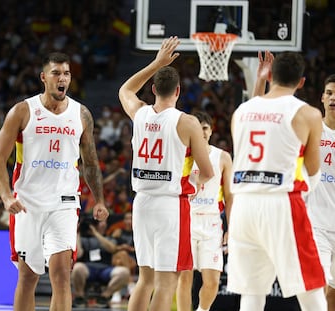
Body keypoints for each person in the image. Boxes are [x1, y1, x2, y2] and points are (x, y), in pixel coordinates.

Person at [0, 51, 109, 311]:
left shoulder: (81, 114)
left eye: (66, 73)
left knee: (61, 275)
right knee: (28, 276)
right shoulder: (22, 111)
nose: (62, 78)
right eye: (56, 73)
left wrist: (99, 199)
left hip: (64, 202)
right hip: (27, 204)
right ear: (44, 77)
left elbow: (90, 161)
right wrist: (6, 196)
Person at [118, 36, 214, 311]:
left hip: (142, 202)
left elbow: (125, 90)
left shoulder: (139, 113)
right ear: (178, 91)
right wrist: (193, 183)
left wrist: (156, 63)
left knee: (144, 280)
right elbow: (206, 171)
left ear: (153, 88)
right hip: (169, 206)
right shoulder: (188, 122)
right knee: (166, 282)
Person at [227, 50, 327, 311]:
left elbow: (263, 116)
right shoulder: (308, 114)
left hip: (244, 206)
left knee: (252, 292)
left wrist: (260, 81)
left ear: (271, 75)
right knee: (310, 285)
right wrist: (306, 191)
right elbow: (313, 169)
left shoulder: (241, 112)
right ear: (302, 81)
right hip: (281, 202)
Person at [176, 110, 233, 311]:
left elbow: (229, 196)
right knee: (185, 278)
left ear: (211, 130)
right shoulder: (181, 155)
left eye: (205, 128)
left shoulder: (223, 157)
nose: (201, 132)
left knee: (213, 281)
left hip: (212, 223)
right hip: (187, 220)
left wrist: (231, 227)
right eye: (197, 128)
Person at [304, 74, 335, 311]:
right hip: (316, 223)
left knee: (332, 293)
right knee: (319, 286)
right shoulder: (312, 130)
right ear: (322, 98)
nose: (333, 98)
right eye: (330, 93)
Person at [71, 217, 130, 308]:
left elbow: (112, 249)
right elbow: (78, 254)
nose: (102, 224)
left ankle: (105, 296)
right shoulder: (83, 239)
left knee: (124, 272)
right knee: (77, 267)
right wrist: (77, 233)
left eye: (104, 222)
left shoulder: (110, 238)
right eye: (99, 222)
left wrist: (95, 233)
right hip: (88, 268)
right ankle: (80, 297)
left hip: (105, 269)